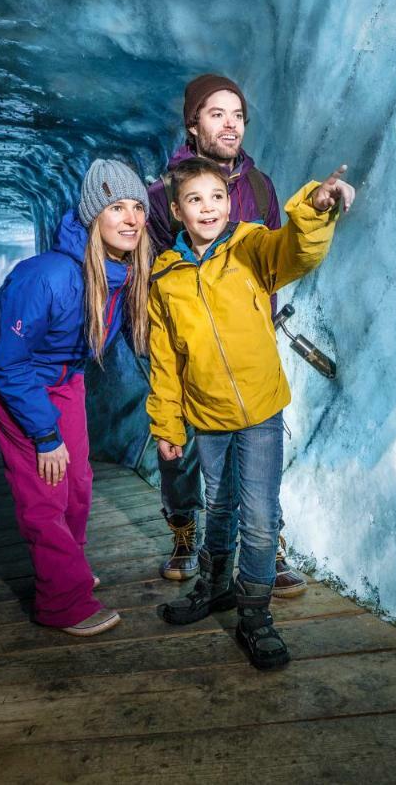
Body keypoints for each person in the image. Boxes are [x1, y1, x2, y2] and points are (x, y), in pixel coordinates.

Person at [147, 157, 354, 669]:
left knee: (259, 519)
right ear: (177, 210)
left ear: (229, 201)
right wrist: (168, 425)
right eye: (195, 199)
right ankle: (214, 587)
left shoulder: (251, 246)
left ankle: (256, 614)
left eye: (216, 196)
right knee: (217, 507)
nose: (208, 207)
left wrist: (314, 209)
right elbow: (166, 360)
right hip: (208, 417)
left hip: (260, 411)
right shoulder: (166, 277)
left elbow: (295, 251)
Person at [146, 73, 307, 599]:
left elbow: (273, 259)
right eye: (216, 113)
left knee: (257, 459)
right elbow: (151, 270)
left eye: (237, 114)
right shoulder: (159, 195)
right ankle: (186, 534)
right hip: (186, 343)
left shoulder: (259, 188)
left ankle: (266, 548)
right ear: (193, 125)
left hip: (244, 344)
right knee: (185, 456)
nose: (230, 124)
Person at [0, 159, 150, 636]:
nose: (132, 218)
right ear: (95, 215)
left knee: (78, 482)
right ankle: (60, 602)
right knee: (44, 491)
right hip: (19, 382)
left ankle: (66, 568)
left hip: (66, 379)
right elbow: (7, 362)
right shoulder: (48, 276)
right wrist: (45, 434)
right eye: (117, 207)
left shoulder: (120, 274)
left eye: (138, 207)